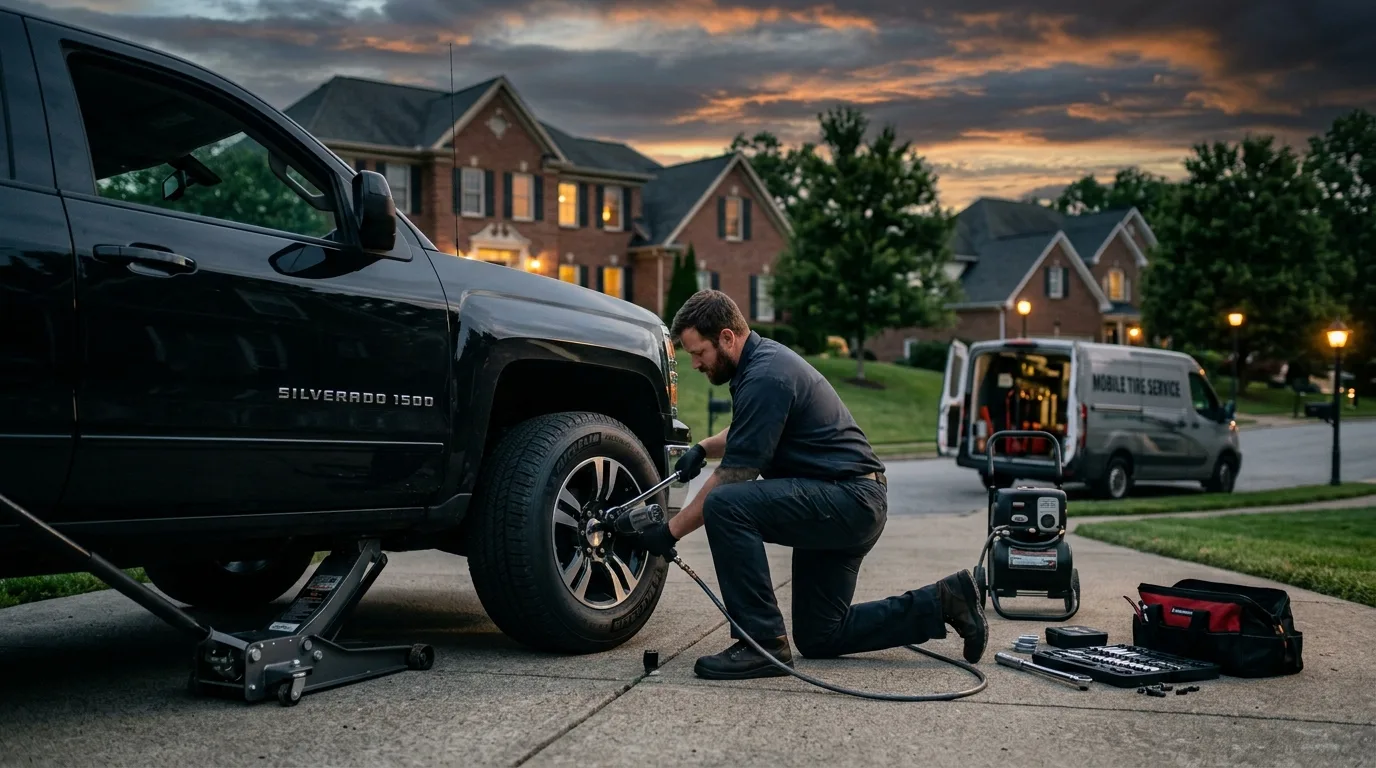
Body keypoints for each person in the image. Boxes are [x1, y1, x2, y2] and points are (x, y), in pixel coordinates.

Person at [635, 290, 988, 680]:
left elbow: (734, 476)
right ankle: (944, 602)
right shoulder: (762, 365)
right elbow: (751, 427)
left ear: (726, 337)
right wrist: (703, 447)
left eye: (698, 352)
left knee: (726, 504)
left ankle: (761, 643)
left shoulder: (765, 374)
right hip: (846, 500)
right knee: (821, 633)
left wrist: (669, 532)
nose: (695, 363)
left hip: (848, 499)